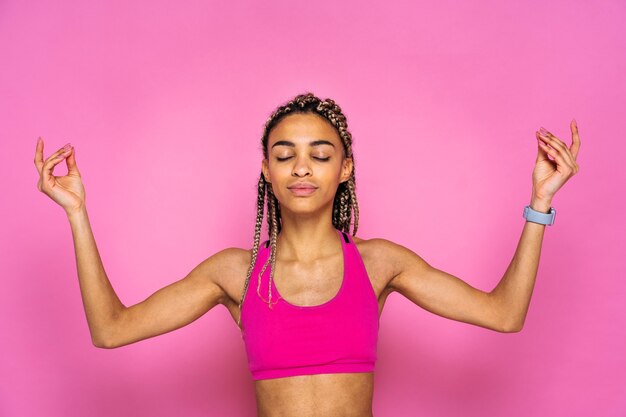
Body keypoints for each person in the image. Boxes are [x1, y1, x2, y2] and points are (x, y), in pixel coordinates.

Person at [34, 92, 581, 417]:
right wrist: (76, 214)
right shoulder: (235, 272)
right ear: (267, 172)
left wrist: (539, 204)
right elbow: (110, 329)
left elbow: (504, 315)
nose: (301, 168)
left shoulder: (379, 263)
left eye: (320, 155)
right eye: (284, 155)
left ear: (343, 170)